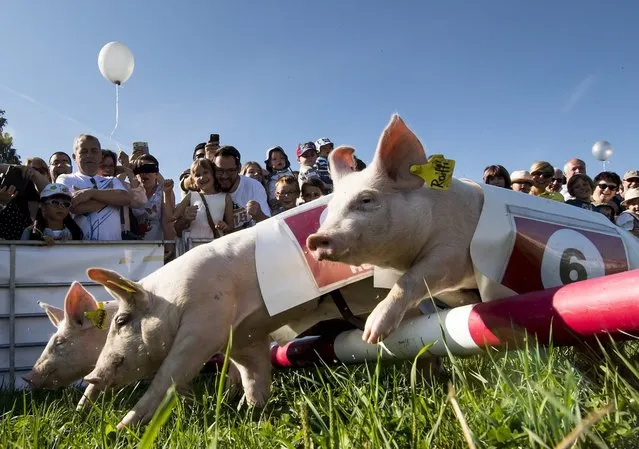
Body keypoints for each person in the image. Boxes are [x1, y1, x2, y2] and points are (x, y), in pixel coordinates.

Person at [56, 134, 131, 241]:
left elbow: (126, 198)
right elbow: (74, 207)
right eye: (83, 151)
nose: (89, 155)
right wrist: (111, 198)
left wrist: (90, 193)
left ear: (100, 155)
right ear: (74, 156)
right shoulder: (65, 179)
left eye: (94, 151)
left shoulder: (111, 180)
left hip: (114, 251)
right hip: (81, 252)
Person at [174, 158, 233, 240]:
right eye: (197, 175)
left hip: (215, 246)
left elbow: (231, 227)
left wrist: (225, 226)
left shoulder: (225, 197)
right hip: (193, 246)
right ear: (193, 180)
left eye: (206, 172)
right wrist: (185, 217)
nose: (202, 177)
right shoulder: (191, 196)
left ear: (213, 174)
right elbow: (173, 217)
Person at [213, 145, 271, 229]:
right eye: (219, 170)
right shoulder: (208, 184)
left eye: (230, 171)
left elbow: (268, 225)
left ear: (239, 168)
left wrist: (259, 214)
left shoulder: (254, 186)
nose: (224, 176)